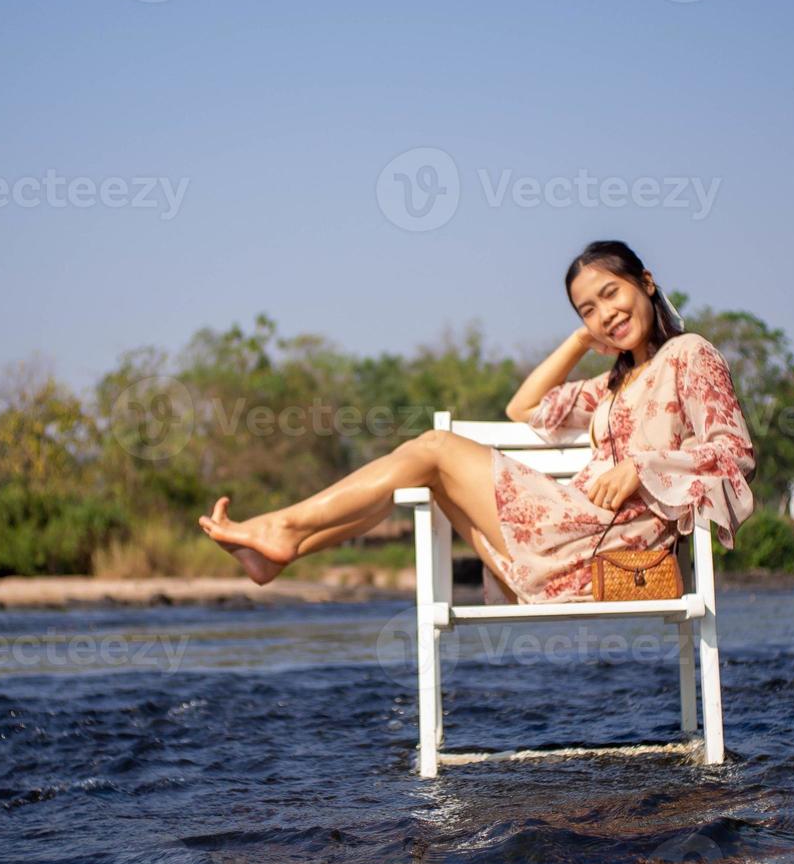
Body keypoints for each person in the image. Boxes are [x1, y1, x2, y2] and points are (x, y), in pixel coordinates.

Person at [198, 240, 757, 604]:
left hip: (616, 551)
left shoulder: (688, 355)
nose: (605, 313)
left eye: (611, 294)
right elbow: (524, 409)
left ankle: (283, 534)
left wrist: (642, 466)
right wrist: (580, 340)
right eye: (587, 309)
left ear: (647, 282)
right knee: (432, 470)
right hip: (571, 540)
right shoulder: (612, 386)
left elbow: (735, 454)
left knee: (437, 448)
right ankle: (284, 547)